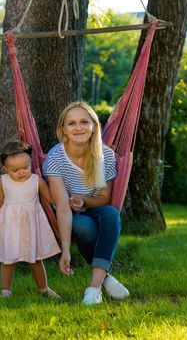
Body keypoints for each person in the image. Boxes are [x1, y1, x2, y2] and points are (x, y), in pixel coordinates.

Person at [42, 101, 130, 305]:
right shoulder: (56, 157)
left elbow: (104, 199)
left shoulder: (105, 155)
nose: (78, 127)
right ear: (63, 129)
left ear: (94, 126)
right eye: (71, 123)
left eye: (84, 122)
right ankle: (105, 278)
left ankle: (95, 287)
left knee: (111, 214)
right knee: (83, 225)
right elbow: (62, 207)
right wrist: (65, 250)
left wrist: (83, 200)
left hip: (93, 207)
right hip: (68, 216)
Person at [0, 140, 61, 299]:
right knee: (8, 259)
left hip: (31, 226)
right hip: (10, 226)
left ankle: (43, 289)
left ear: (30, 162)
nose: (21, 172)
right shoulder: (3, 181)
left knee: (35, 259)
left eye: (25, 168)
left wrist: (65, 195)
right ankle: (5, 291)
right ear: (5, 169)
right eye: (15, 170)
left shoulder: (36, 180)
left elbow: (51, 198)